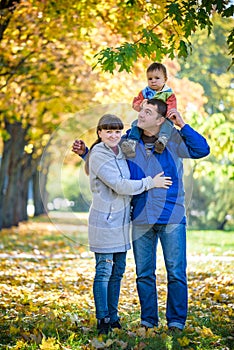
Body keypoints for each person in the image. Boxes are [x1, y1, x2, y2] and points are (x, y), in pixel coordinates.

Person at [72, 100, 210, 333]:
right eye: (142, 110)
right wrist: (87, 154)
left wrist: (183, 125)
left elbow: (201, 150)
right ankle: (148, 320)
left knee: (176, 272)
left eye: (148, 112)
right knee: (144, 273)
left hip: (171, 216)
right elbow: (110, 167)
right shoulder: (129, 141)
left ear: (160, 120)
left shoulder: (173, 140)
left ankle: (176, 321)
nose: (141, 114)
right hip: (141, 217)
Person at [74, 114, 172, 335]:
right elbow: (118, 184)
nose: (114, 135)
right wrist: (151, 183)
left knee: (118, 272)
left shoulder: (120, 151)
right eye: (108, 131)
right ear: (99, 133)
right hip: (105, 221)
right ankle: (103, 319)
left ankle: (114, 316)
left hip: (121, 221)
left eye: (117, 131)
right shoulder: (99, 153)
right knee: (104, 271)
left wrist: (83, 154)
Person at [121, 62, 177, 157]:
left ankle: (162, 140)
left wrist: (166, 114)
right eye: (150, 79)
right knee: (135, 124)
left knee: (168, 124)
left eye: (157, 78)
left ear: (165, 79)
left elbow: (171, 106)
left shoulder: (168, 93)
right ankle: (132, 142)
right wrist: (141, 105)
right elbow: (135, 103)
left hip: (162, 117)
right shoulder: (145, 92)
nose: (153, 81)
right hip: (148, 118)